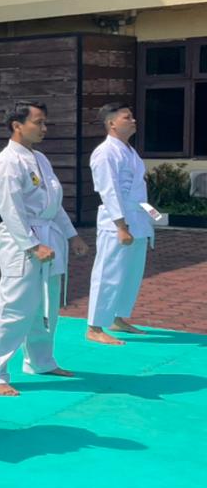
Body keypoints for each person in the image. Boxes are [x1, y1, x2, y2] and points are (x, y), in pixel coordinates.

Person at [0, 101, 88, 397]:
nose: (44, 128)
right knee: (13, 306)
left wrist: (72, 235)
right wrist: (32, 245)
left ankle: (40, 361)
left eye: (45, 122)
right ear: (17, 125)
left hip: (49, 236)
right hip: (21, 243)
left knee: (45, 306)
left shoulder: (40, 159)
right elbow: (10, 210)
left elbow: (54, 204)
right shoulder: (6, 162)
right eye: (39, 122)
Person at [87, 103, 155, 345]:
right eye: (127, 117)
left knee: (131, 274)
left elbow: (139, 192)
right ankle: (94, 326)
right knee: (109, 273)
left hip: (138, 217)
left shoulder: (129, 151)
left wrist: (153, 215)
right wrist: (121, 226)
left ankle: (118, 317)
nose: (133, 120)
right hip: (117, 221)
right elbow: (109, 191)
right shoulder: (105, 153)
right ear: (111, 123)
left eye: (132, 116)